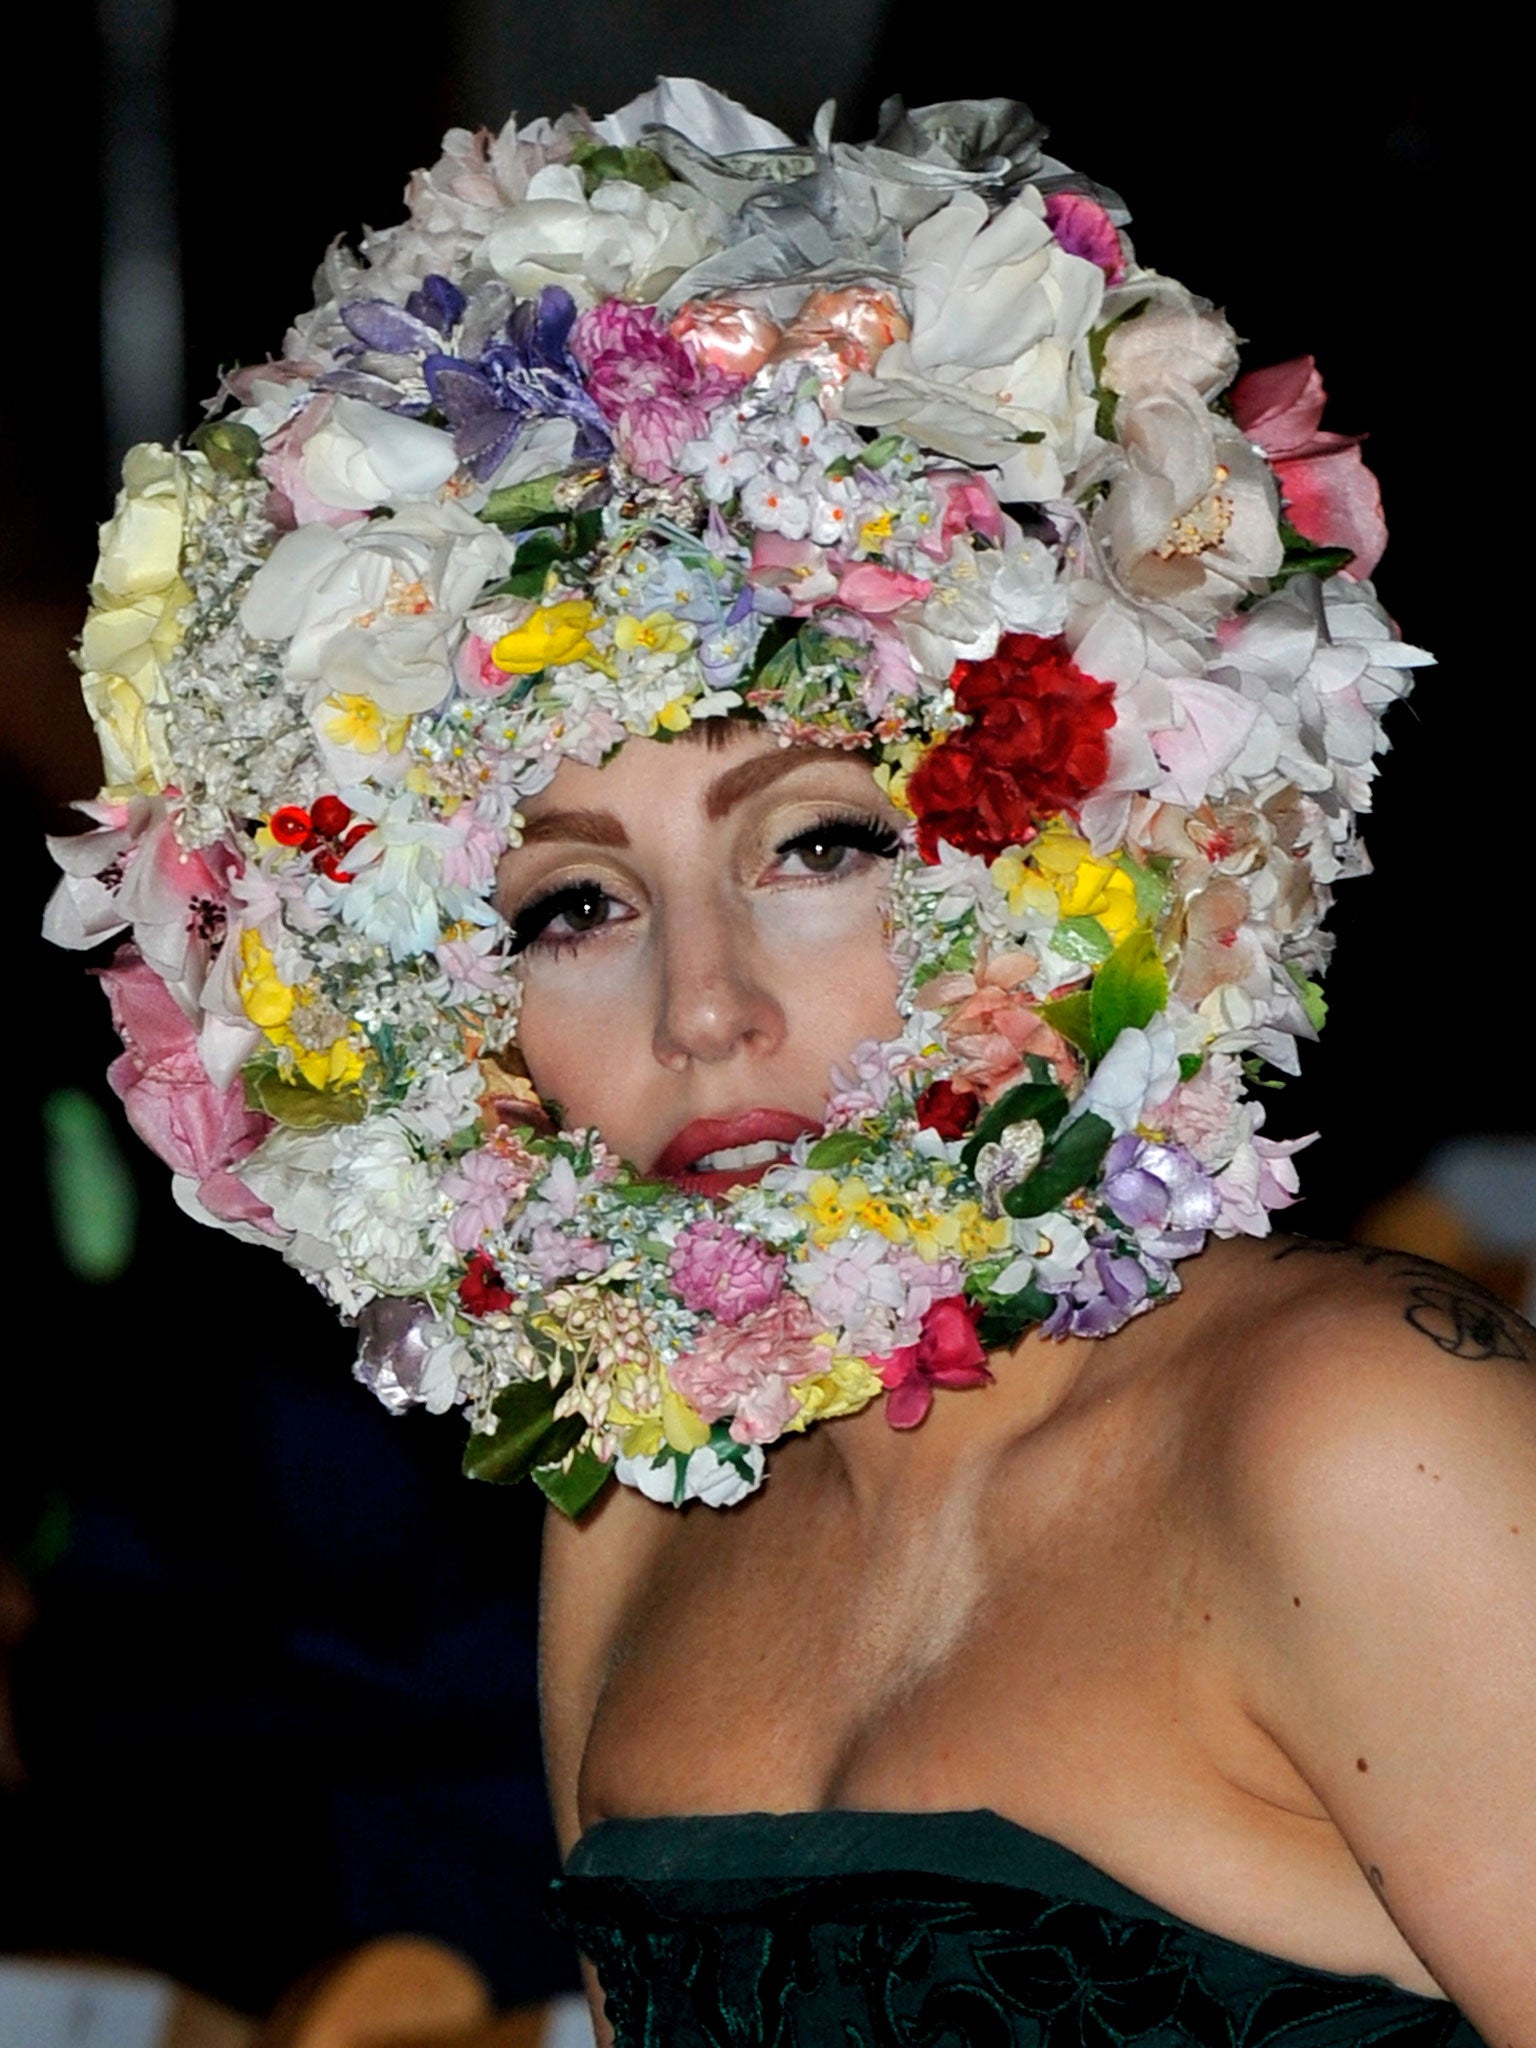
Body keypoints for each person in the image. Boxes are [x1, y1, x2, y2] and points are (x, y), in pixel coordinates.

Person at [47, 78, 1531, 2046]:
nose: (706, 1004)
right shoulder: (632, 1510)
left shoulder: (1352, 1445)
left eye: (820, 842)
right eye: (571, 903)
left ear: (1055, 848)